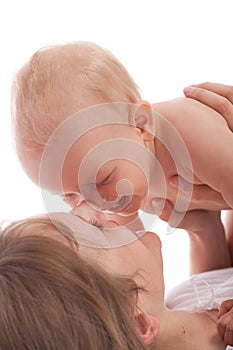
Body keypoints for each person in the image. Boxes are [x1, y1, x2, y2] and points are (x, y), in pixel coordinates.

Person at [11, 42, 233, 230]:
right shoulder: (120, 187)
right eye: (68, 196)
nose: (96, 203)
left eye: (104, 179)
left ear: (141, 125)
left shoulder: (189, 132)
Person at [0, 208, 232, 349]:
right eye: (97, 230)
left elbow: (216, 281)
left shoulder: (176, 301)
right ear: (139, 323)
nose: (103, 216)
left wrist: (205, 231)